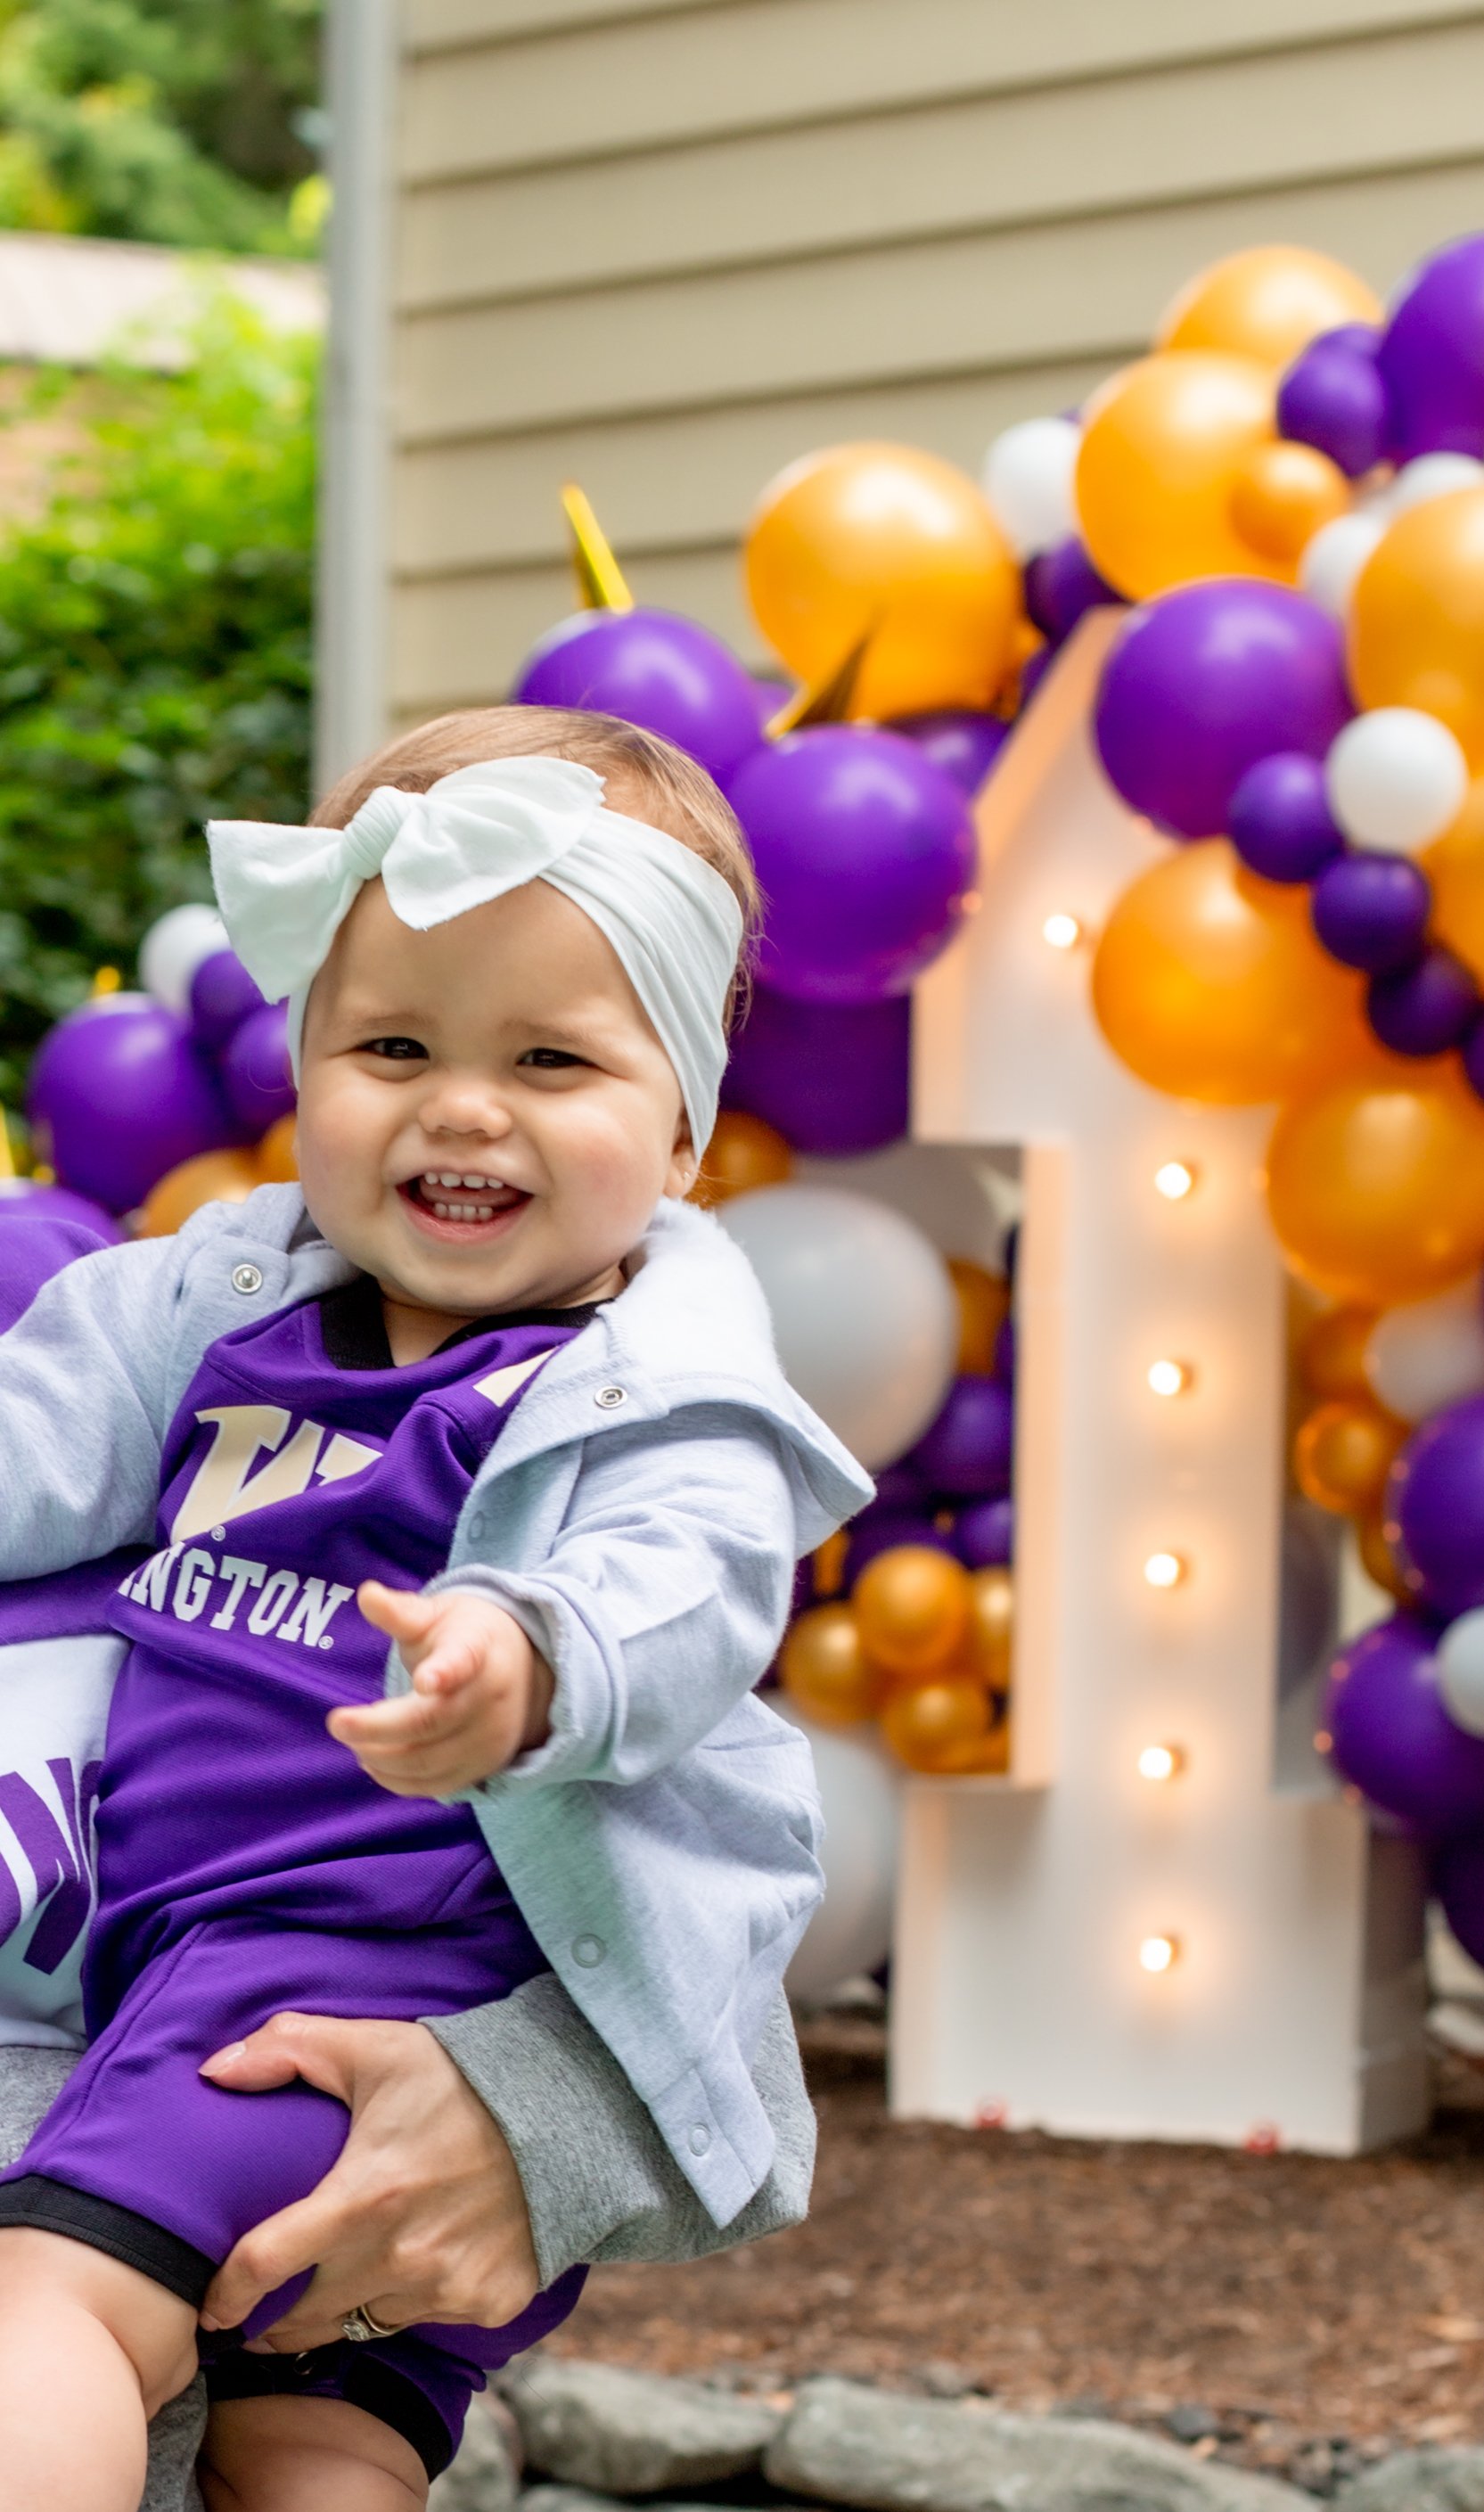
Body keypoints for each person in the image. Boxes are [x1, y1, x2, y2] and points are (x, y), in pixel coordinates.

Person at [0, 706, 872, 2512]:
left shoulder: (654, 1380)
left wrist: (532, 1655)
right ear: (304, 1060)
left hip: (345, 1958)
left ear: (686, 1127)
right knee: (315, 2438)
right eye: (390, 1040)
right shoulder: (226, 1294)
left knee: (49, 2314)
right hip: (205, 1951)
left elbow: (686, 1579)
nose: (460, 1104)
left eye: (550, 1058)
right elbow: (40, 1431)